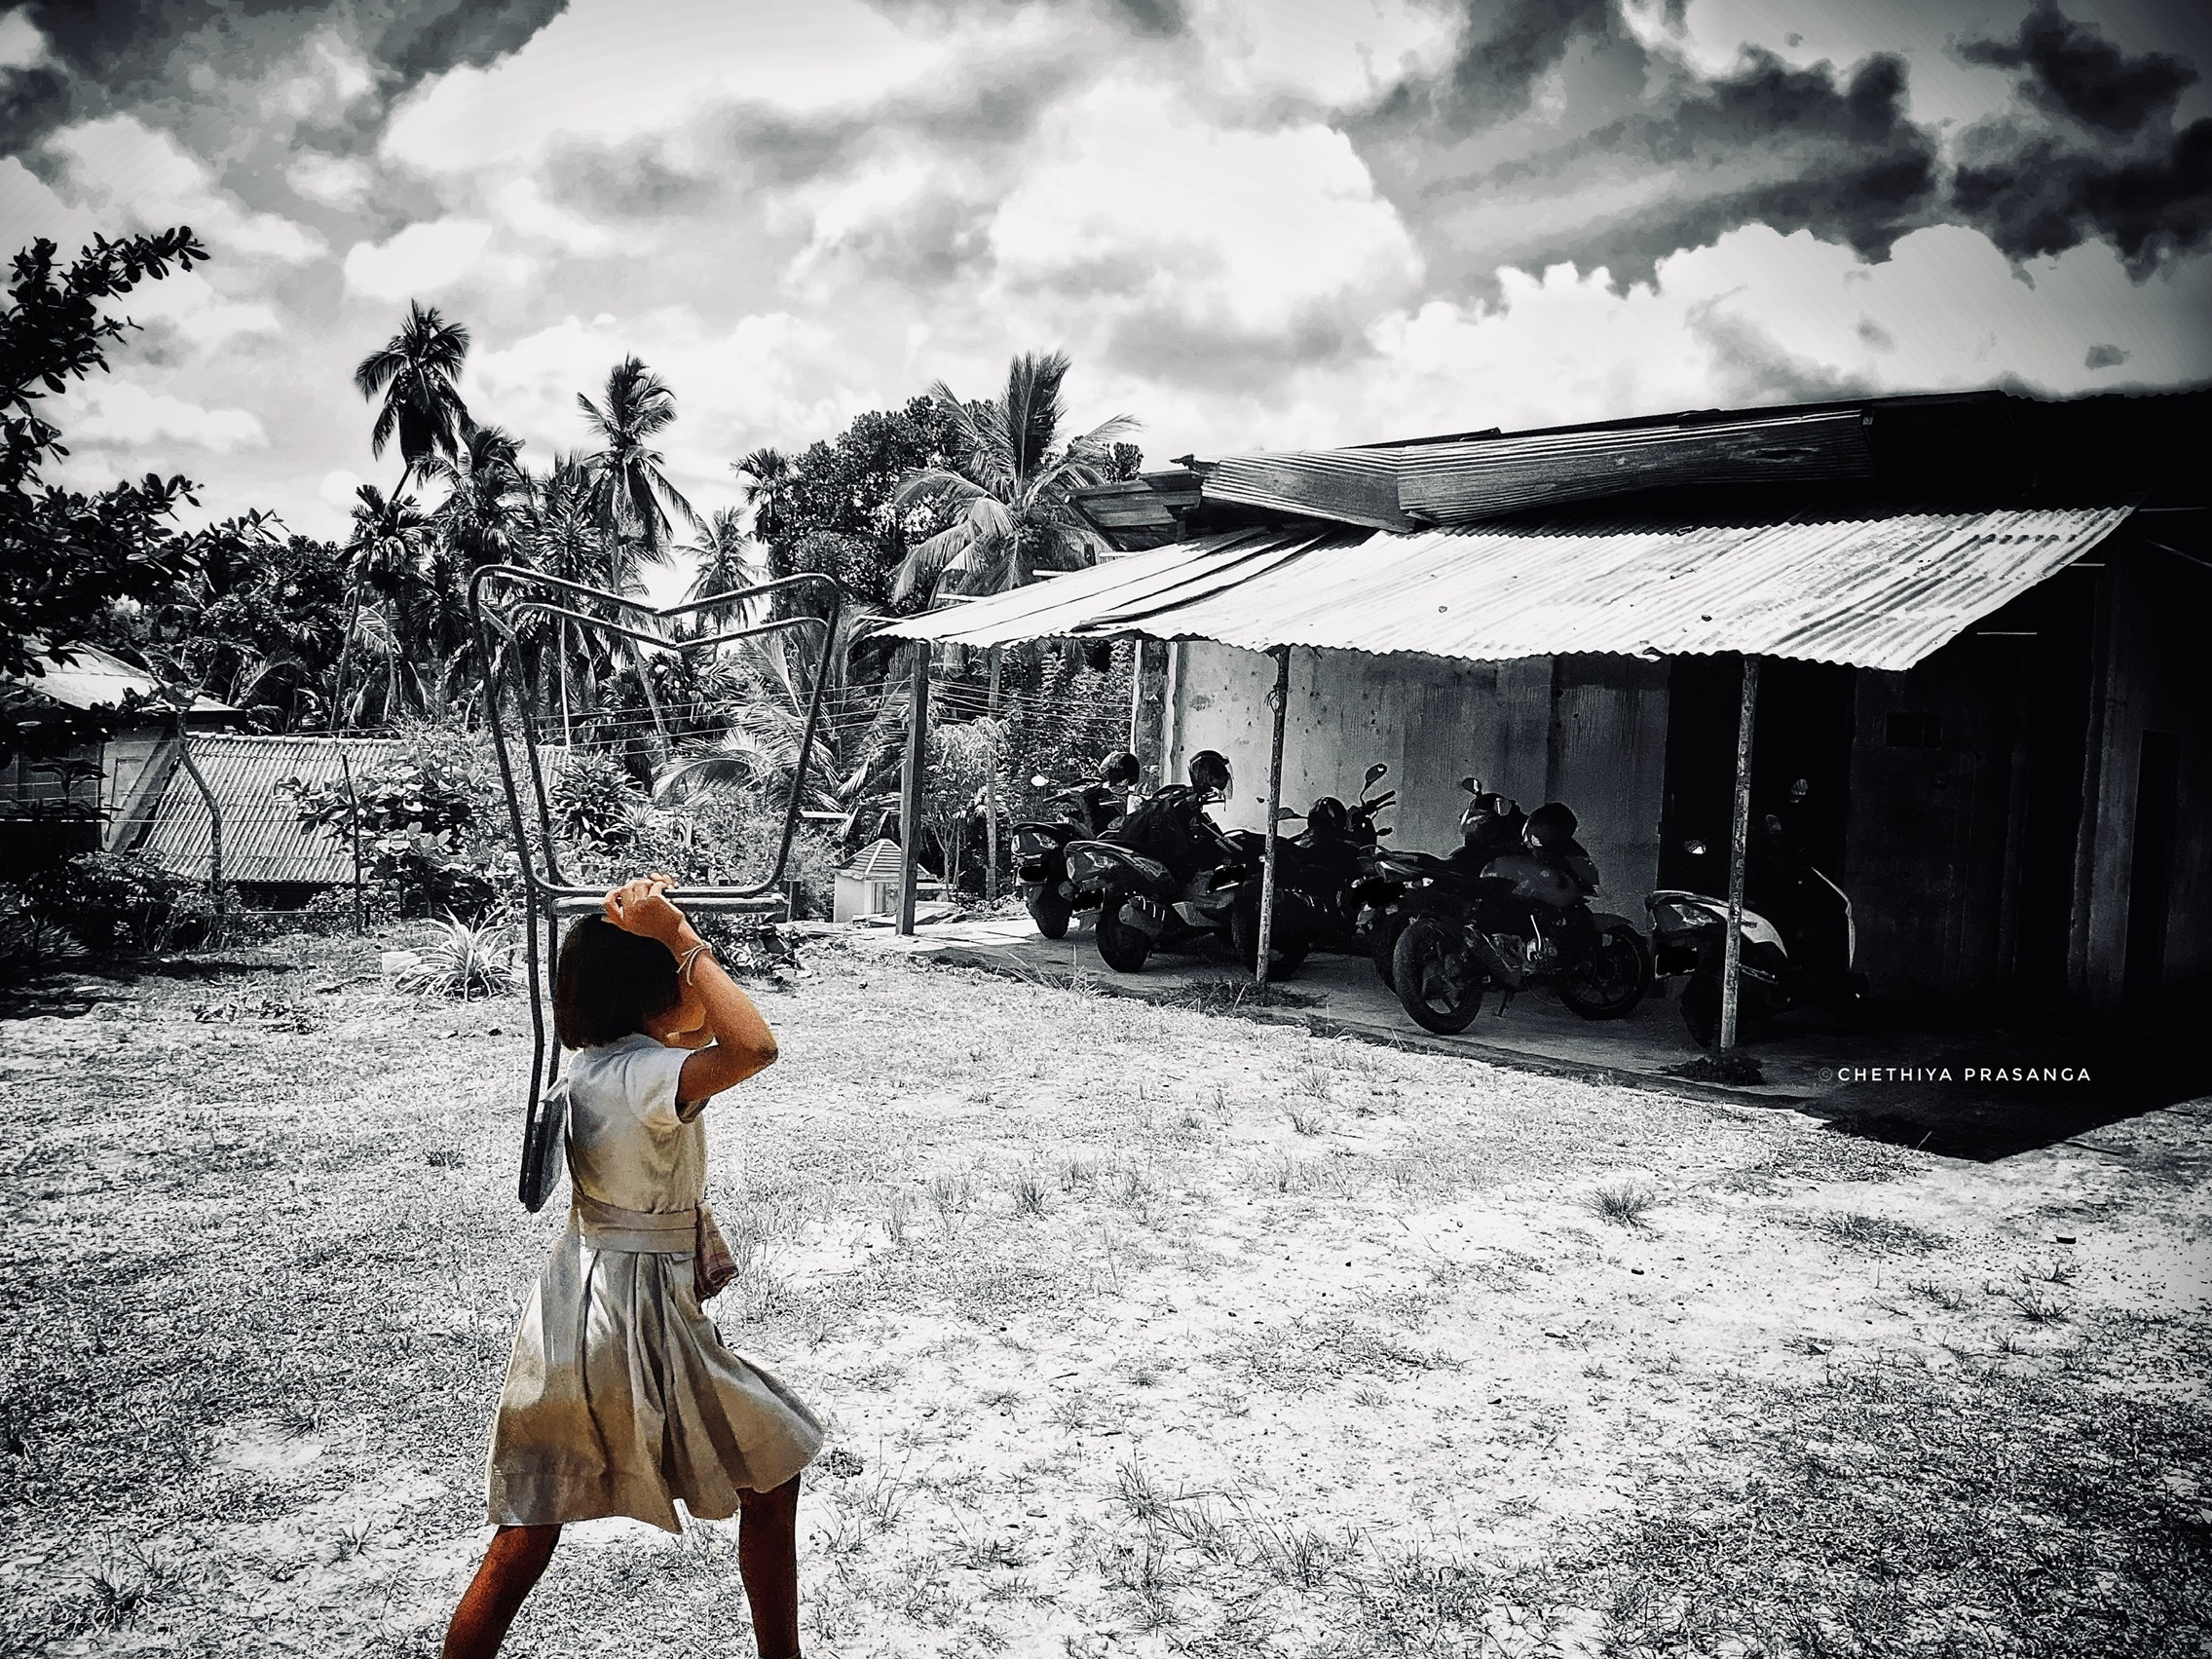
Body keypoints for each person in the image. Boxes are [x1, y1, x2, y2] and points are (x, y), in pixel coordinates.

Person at [444, 877, 823, 1659]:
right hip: (634, 1316)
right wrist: (681, 935)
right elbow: (754, 1044)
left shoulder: (597, 1064)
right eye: (682, 975)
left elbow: (703, 1034)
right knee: (774, 1466)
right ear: (655, 994)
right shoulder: (647, 1075)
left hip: (578, 1306)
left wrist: (657, 943)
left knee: (529, 1525)